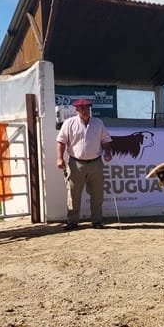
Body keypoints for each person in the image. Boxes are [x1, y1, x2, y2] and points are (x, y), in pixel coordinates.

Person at [56, 98, 113, 230]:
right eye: (82, 109)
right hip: (76, 163)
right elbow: (61, 141)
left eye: (87, 108)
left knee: (97, 193)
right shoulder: (69, 123)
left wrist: (108, 153)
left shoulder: (98, 123)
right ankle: (72, 221)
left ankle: (97, 221)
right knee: (73, 193)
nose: (85, 111)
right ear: (77, 110)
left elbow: (105, 140)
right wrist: (59, 158)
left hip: (96, 163)